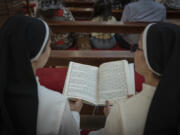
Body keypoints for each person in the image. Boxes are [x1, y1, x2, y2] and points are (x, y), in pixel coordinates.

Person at [88, 22, 180, 135]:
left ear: (150, 60)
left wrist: (113, 119)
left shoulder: (122, 113)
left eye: (138, 47)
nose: (134, 52)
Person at [0, 16, 82, 135]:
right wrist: (74, 113)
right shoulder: (55, 103)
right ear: (37, 56)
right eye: (48, 46)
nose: (50, 50)